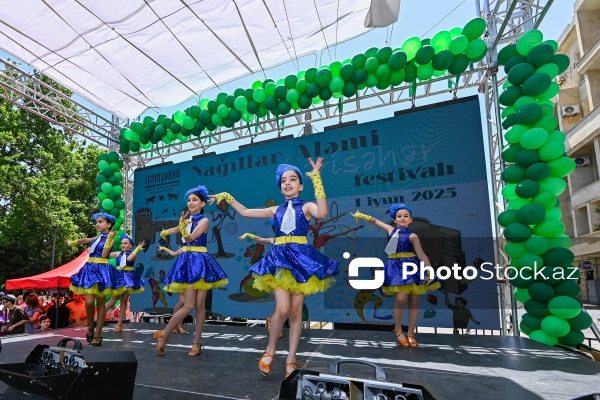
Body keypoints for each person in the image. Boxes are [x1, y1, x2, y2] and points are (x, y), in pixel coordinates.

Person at [210, 158, 339, 378]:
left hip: (301, 260)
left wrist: (317, 179)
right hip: (279, 260)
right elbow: (245, 212)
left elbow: (323, 213)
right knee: (282, 309)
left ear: (300, 186)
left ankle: (291, 359)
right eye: (283, 180)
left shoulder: (306, 206)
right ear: (280, 187)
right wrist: (228, 197)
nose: (287, 183)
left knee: (296, 312)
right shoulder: (275, 209)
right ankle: (270, 350)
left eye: (293, 179)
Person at [352, 204, 440, 348]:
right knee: (401, 298)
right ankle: (398, 329)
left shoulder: (413, 236)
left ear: (411, 219)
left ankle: (411, 334)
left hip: (411, 268)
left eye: (406, 216)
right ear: (395, 219)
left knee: (414, 302)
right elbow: (376, 221)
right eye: (399, 216)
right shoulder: (390, 230)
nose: (402, 218)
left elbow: (421, 255)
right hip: (395, 268)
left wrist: (430, 271)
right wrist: (362, 216)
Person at [154, 185, 228, 356]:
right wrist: (165, 232)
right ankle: (164, 335)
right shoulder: (186, 219)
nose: (191, 203)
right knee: (188, 305)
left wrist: (180, 226)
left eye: (195, 200)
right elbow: (175, 230)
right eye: (189, 200)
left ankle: (196, 343)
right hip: (186, 261)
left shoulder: (204, 221)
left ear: (203, 203)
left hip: (200, 261)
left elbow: (190, 238)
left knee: (200, 305)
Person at [68, 212, 126, 346]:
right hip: (90, 269)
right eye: (96, 222)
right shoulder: (98, 237)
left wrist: (109, 238)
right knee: (89, 302)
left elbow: (105, 255)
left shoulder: (111, 238)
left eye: (100, 222)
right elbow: (85, 240)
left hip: (102, 270)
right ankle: (91, 326)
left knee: (100, 304)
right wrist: (72, 242)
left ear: (108, 224)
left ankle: (98, 334)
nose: (97, 224)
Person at [238, 229, 285, 339]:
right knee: (282, 306)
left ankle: (272, 321)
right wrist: (247, 234)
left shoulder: (295, 241)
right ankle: (275, 325)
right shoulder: (274, 240)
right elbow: (260, 239)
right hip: (278, 276)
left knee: (289, 306)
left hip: (290, 276)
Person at [105, 233, 146, 332]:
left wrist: (138, 248)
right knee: (113, 299)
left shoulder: (133, 254)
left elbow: (129, 259)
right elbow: (106, 254)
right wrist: (109, 241)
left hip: (128, 278)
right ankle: (96, 319)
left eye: (125, 243)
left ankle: (119, 324)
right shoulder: (118, 253)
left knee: (124, 301)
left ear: (130, 245)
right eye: (122, 243)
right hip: (119, 277)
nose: (123, 245)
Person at [157, 245, 187, 334]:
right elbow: (173, 253)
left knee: (186, 304)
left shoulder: (195, 250)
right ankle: (174, 322)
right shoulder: (183, 248)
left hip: (189, 275)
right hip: (180, 275)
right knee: (182, 301)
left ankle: (178, 325)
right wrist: (164, 248)